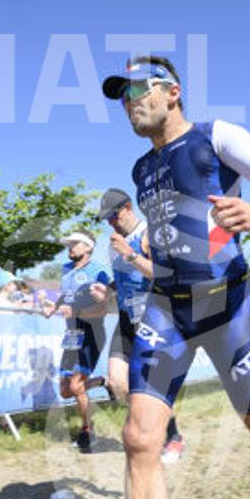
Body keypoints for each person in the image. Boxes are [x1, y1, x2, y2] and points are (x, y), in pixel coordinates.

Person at [102, 55, 250, 499]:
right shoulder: (142, 169)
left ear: (172, 92)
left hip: (227, 307)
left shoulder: (216, 135)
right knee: (139, 438)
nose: (129, 102)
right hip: (167, 310)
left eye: (137, 89)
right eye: (122, 96)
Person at [90, 188, 186, 464]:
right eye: (107, 219)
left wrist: (130, 254)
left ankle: (172, 436)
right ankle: (151, 426)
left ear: (128, 208)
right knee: (118, 383)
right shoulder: (113, 244)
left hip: (153, 315)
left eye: (114, 216)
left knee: (155, 385)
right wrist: (106, 290)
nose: (111, 222)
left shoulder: (149, 233)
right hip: (125, 317)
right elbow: (121, 279)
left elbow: (161, 274)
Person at [41, 230, 111, 452]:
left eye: (75, 243)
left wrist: (76, 311)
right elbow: (66, 295)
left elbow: (103, 308)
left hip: (92, 332)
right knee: (65, 390)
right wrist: (53, 306)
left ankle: (88, 432)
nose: (70, 247)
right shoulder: (66, 269)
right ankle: (103, 382)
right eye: (68, 244)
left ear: (88, 247)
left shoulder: (99, 271)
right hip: (72, 334)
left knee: (76, 385)